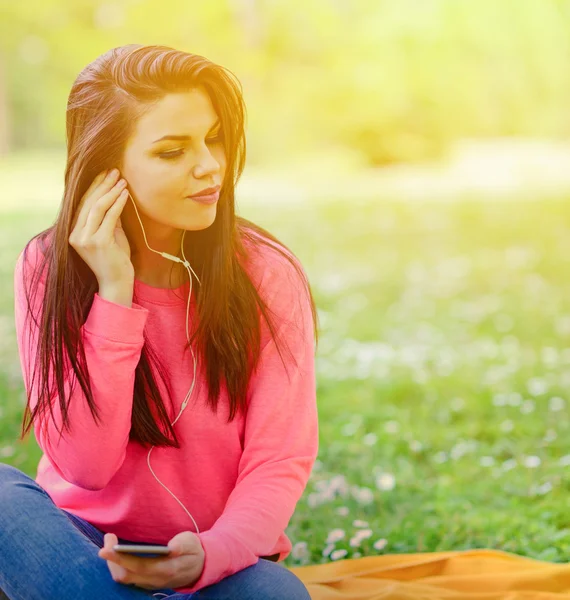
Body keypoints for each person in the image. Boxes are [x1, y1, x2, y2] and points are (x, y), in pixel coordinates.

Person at [0, 44, 319, 600]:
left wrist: (211, 555)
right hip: (83, 545)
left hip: (218, 558)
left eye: (213, 138)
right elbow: (86, 468)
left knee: (277, 595)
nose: (210, 166)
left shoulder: (266, 273)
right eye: (173, 151)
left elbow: (279, 457)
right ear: (105, 169)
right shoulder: (46, 269)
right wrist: (115, 296)